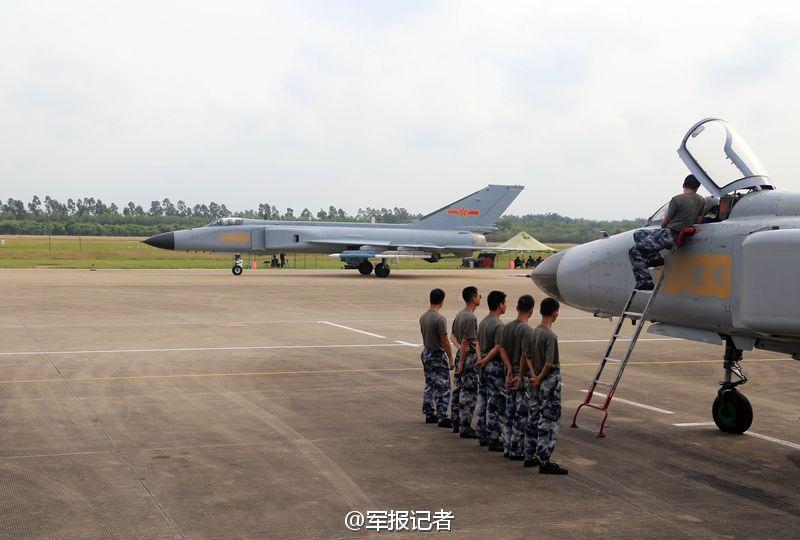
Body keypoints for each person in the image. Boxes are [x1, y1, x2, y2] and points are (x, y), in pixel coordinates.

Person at [628, 175, 705, 290]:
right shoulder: (701, 200)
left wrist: (667, 226)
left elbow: (664, 223)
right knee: (639, 234)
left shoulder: (676, 199)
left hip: (670, 234)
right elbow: (698, 221)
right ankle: (655, 259)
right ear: (697, 187)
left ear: (683, 185)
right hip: (681, 234)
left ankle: (645, 282)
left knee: (634, 251)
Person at [521, 297, 568, 475]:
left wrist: (534, 375)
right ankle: (545, 460)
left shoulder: (533, 332)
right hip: (548, 381)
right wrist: (540, 378)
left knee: (533, 417)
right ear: (555, 313)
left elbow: (527, 356)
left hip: (536, 381)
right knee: (549, 420)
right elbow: (549, 363)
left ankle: (529, 454)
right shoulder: (550, 335)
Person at [499, 294, 535, 460]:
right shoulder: (527, 330)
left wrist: (509, 370)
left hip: (510, 372)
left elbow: (501, 349)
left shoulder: (507, 327)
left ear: (517, 308)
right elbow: (525, 355)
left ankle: (507, 446)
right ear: (531, 310)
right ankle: (516, 449)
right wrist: (520, 375)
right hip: (522, 374)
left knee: (509, 412)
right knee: (522, 414)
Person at [475, 290, 510, 452]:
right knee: (496, 403)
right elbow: (498, 347)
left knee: (483, 400)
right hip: (493, 366)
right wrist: (485, 360)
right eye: (504, 302)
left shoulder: (483, 322)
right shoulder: (499, 325)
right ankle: (493, 437)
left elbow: (478, 343)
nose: (505, 306)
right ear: (500, 305)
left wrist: (480, 359)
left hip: (482, 366)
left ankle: (482, 433)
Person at [419, 288, 454, 428]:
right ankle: (442, 415)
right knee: (443, 386)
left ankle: (429, 412)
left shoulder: (424, 316)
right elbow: (445, 340)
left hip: (427, 352)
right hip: (437, 355)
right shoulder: (440, 319)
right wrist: (450, 358)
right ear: (442, 301)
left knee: (430, 384)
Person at [450, 286, 482, 438]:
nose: (479, 298)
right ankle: (465, 426)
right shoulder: (470, 318)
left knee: (458, 390)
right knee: (469, 392)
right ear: (473, 298)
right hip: (467, 358)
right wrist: (463, 360)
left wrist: (459, 352)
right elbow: (465, 341)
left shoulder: (460, 314)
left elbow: (453, 337)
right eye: (478, 296)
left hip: (460, 355)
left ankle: (456, 423)